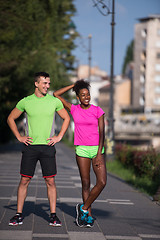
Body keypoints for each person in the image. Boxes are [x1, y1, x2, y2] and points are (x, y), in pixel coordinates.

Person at [7, 72, 70, 226]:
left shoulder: (54, 101)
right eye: (44, 83)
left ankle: (53, 215)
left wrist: (59, 136)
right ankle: (18, 214)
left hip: (48, 147)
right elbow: (10, 118)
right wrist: (19, 137)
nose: (47, 86)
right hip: (30, 147)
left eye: (48, 83)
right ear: (36, 84)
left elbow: (66, 118)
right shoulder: (26, 101)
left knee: (50, 181)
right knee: (24, 180)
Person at [53, 79, 107, 228]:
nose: (86, 97)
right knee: (85, 184)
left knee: (102, 182)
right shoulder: (74, 109)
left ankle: (82, 208)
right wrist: (74, 85)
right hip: (81, 149)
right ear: (78, 97)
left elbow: (102, 133)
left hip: (96, 149)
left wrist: (98, 153)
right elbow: (55, 94)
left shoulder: (97, 110)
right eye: (83, 95)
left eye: (88, 94)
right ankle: (87, 217)